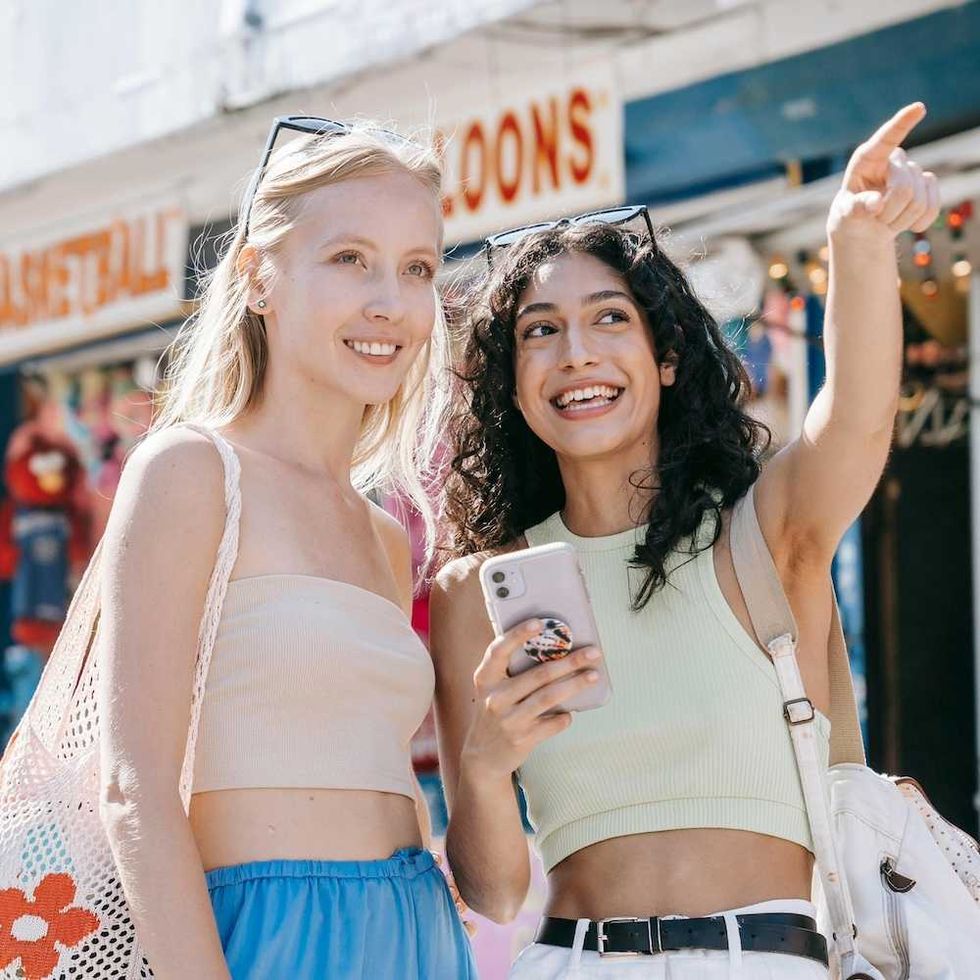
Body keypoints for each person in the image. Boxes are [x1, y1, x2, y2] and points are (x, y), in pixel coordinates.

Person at [431, 103, 939, 978]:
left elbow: (854, 418)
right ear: (513, 384)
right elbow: (495, 895)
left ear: (667, 357)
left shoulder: (765, 531)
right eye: (539, 331)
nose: (576, 354)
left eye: (610, 320)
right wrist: (481, 770)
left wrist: (855, 241)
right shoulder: (475, 592)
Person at [99, 117, 476, 979]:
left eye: (416, 268)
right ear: (258, 277)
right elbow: (135, 793)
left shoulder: (383, 536)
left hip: (416, 926)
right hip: (265, 931)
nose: (389, 300)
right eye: (349, 259)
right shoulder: (192, 473)